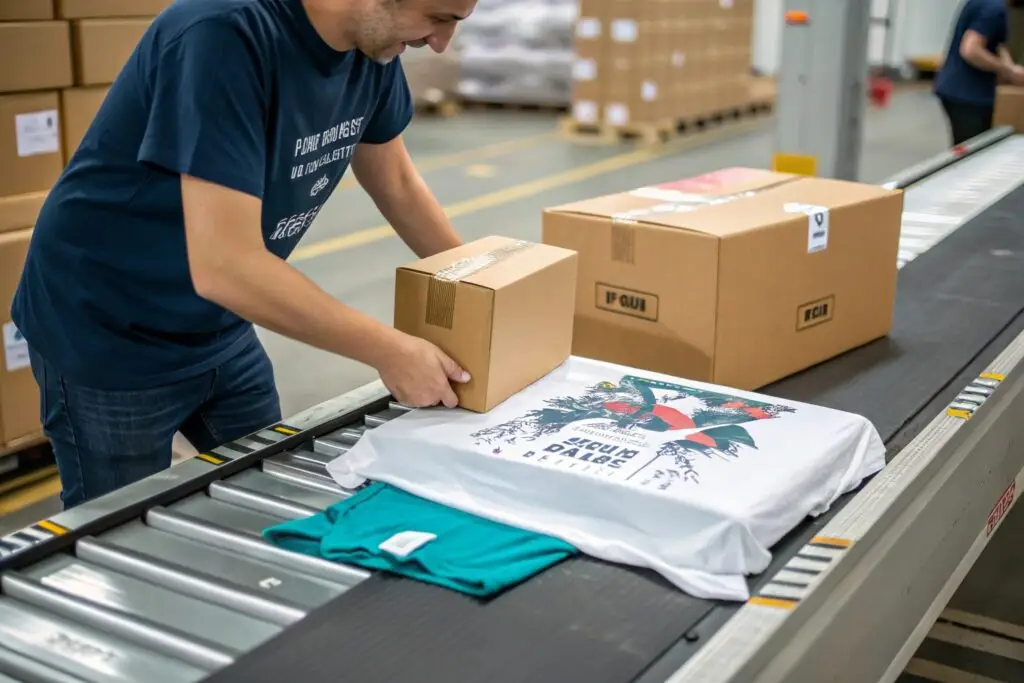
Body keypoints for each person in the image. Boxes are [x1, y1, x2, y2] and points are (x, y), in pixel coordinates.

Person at [10, 0, 477, 509]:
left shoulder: (373, 49)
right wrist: (390, 350)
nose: (440, 43)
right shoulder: (220, 34)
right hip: (109, 327)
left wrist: (482, 280)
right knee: (119, 524)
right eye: (439, 18)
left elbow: (397, 181)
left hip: (220, 324)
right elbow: (226, 268)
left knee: (273, 493)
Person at [934, 0, 1024, 146]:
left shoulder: (985, 3)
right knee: (973, 149)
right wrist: (1007, 70)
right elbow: (971, 50)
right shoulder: (994, 9)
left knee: (965, 147)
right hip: (970, 95)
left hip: (955, 88)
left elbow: (995, 44)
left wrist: (1011, 69)